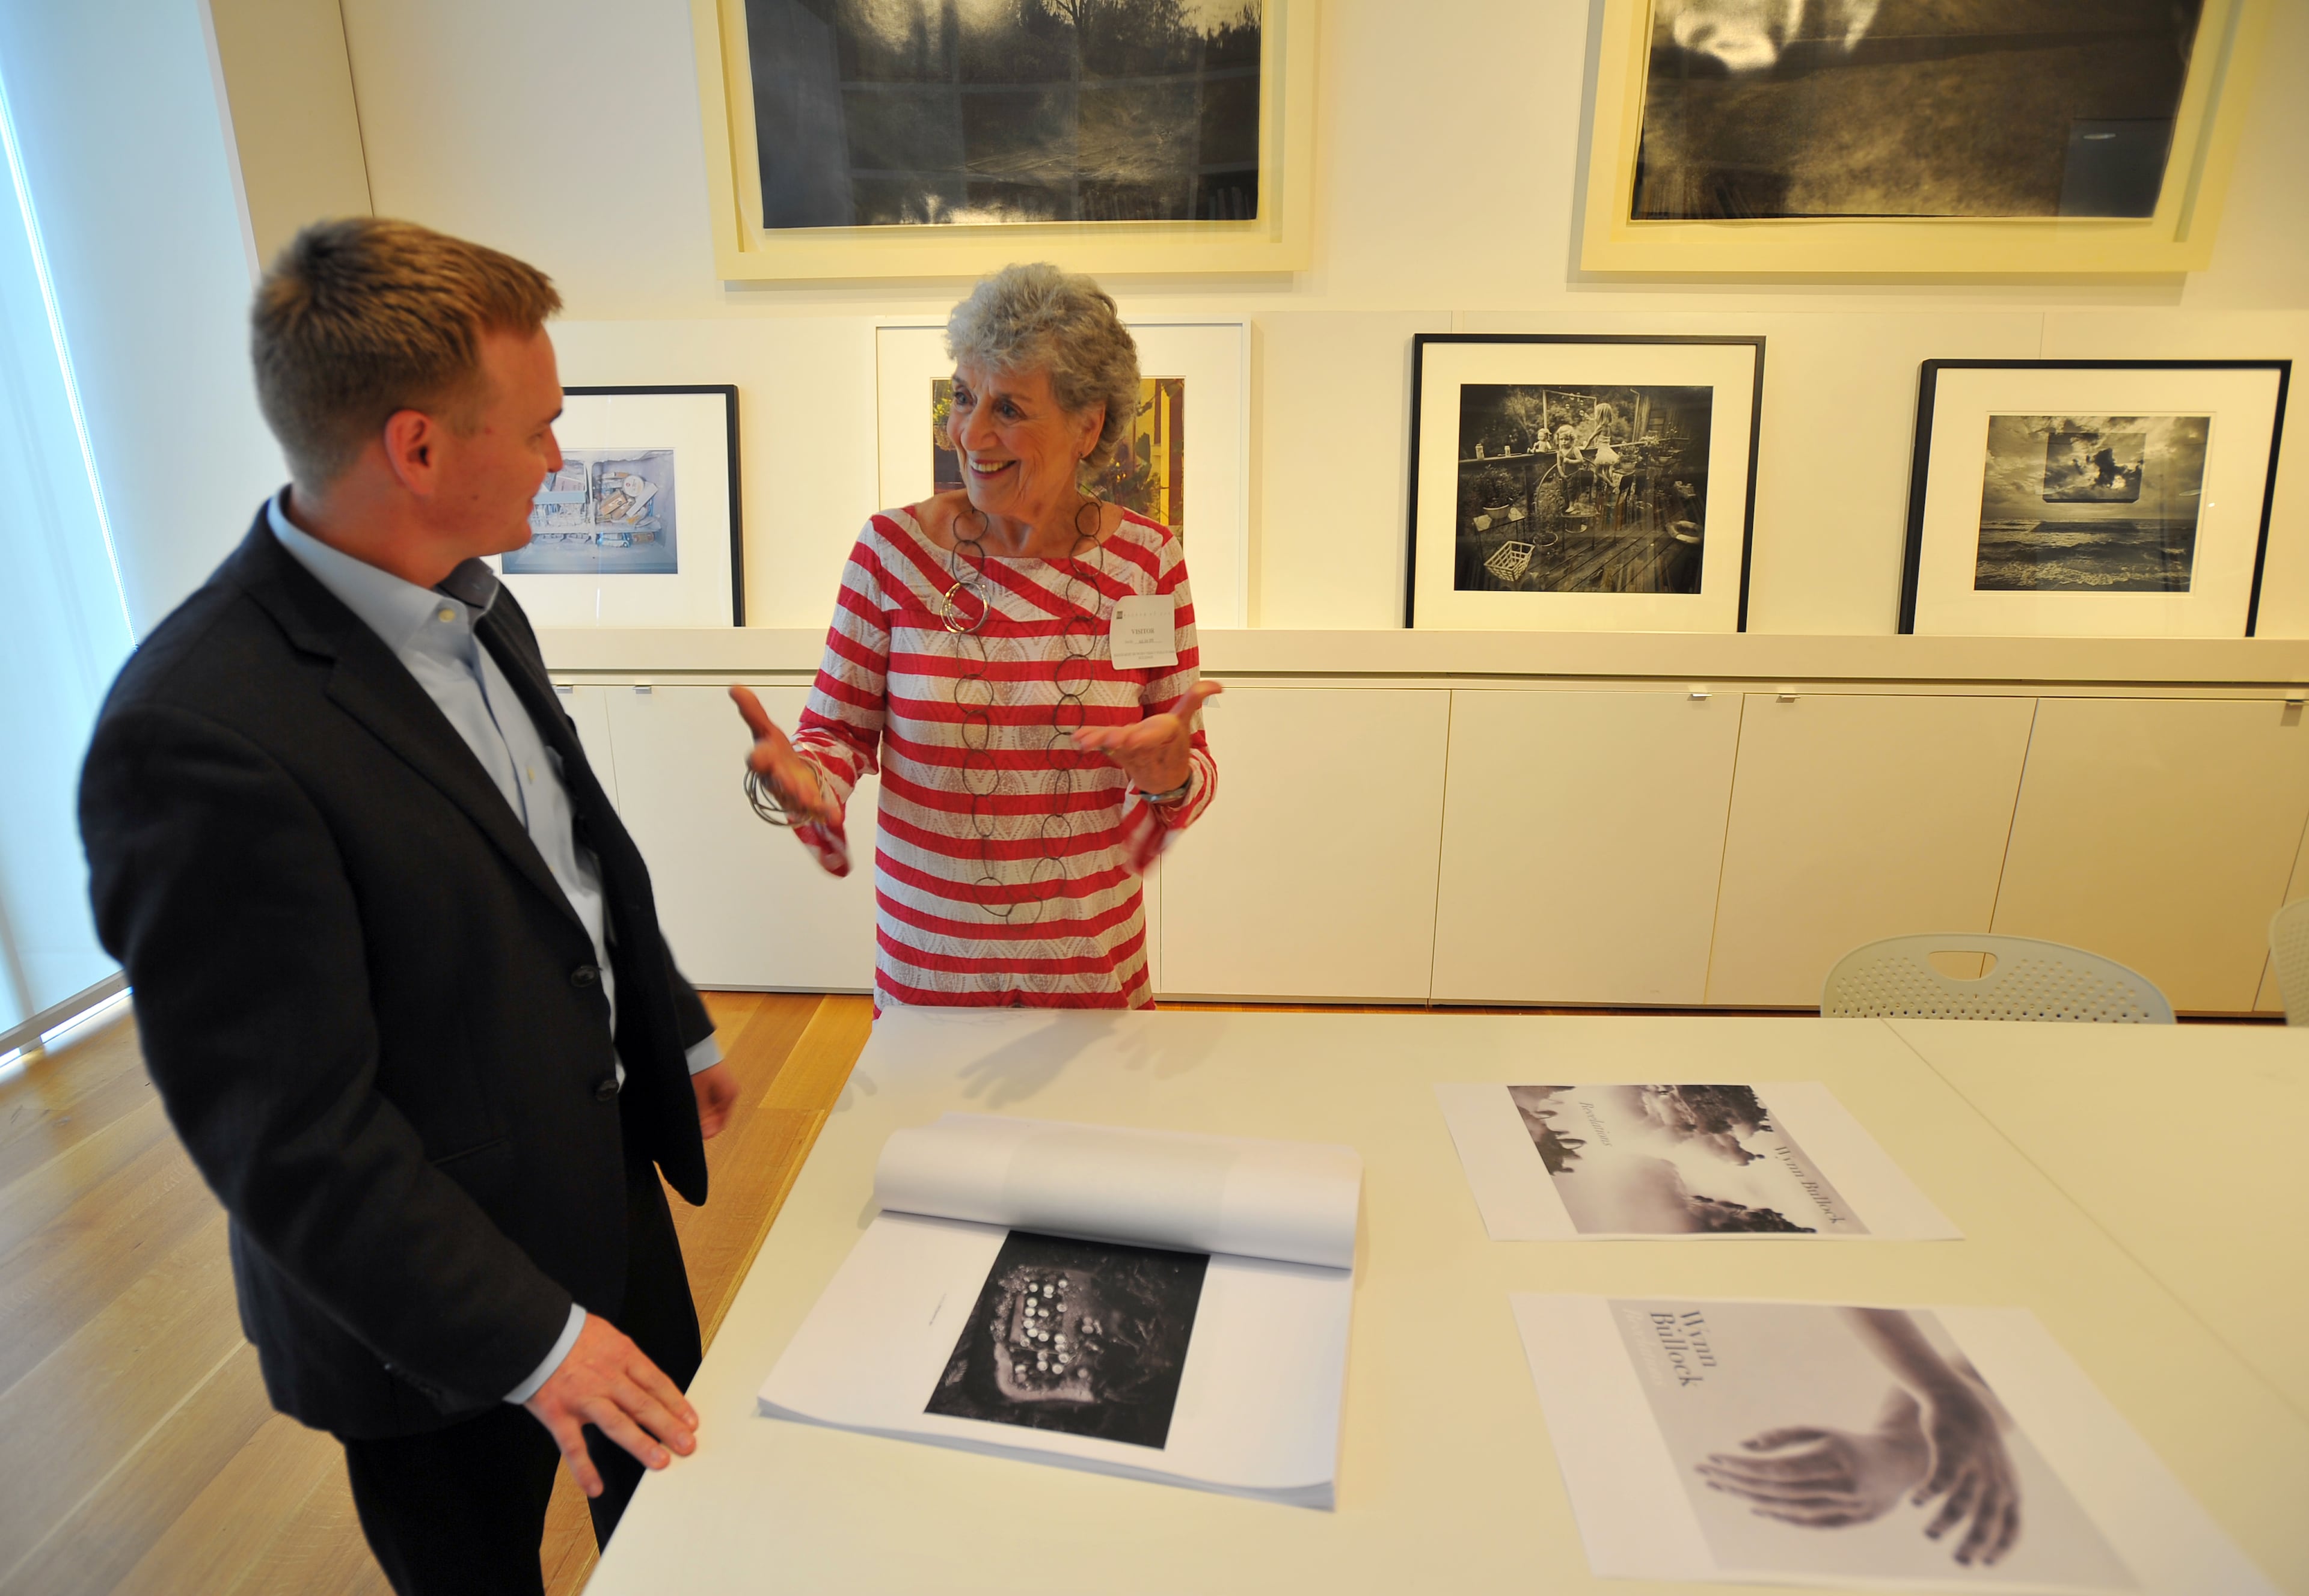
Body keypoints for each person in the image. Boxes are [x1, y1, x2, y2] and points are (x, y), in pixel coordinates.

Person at [78, 218, 732, 1595]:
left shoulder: (477, 602)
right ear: (419, 449)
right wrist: (533, 1339)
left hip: (600, 1192)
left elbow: (566, 847)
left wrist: (667, 1022)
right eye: (542, 428)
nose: (563, 459)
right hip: (424, 1305)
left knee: (677, 1537)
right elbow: (291, 1137)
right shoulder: (195, 734)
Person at [732, 262, 1218, 1008]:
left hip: (1091, 972)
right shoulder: (892, 552)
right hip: (930, 974)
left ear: (1088, 425)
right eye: (963, 397)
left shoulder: (1146, 562)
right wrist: (807, 783)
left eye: (1011, 408)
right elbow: (835, 732)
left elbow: (1188, 764)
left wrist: (1172, 778)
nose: (971, 432)